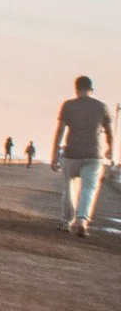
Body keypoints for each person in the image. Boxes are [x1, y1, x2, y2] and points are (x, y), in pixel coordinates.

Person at [51, 75, 114, 238]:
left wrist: (54, 154)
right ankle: (83, 220)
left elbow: (60, 130)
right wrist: (110, 149)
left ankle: (66, 222)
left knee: (69, 187)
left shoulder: (69, 105)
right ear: (91, 89)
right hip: (94, 155)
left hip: (71, 153)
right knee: (89, 187)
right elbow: (109, 132)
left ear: (76, 89)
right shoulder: (101, 107)